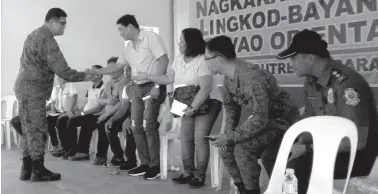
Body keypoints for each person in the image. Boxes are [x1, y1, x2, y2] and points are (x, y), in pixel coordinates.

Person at [276, 29, 378, 194]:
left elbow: (356, 141)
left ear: (310, 58)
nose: (290, 63)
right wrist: (299, 142)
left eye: (293, 58)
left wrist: (308, 148)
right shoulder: (310, 82)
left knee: (298, 166)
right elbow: (310, 120)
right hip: (327, 147)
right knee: (277, 154)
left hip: (359, 156)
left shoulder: (346, 84)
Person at [204, 35, 299, 194]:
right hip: (264, 122)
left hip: (283, 122)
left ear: (219, 59)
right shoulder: (228, 79)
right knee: (225, 149)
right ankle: (243, 189)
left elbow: (260, 117)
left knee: (242, 149)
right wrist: (227, 134)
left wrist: (231, 136)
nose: (205, 62)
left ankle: (252, 191)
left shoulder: (253, 77)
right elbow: (231, 108)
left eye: (207, 58)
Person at [133, 28, 222, 187]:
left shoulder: (203, 60)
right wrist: (148, 77)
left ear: (191, 43)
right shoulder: (179, 59)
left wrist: (193, 108)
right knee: (185, 137)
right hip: (185, 102)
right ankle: (188, 173)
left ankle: (200, 176)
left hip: (207, 102)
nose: (179, 44)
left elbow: (206, 88)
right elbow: (168, 78)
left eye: (182, 41)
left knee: (199, 137)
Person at [14, 8, 92, 182]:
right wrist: (87, 75)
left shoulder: (33, 35)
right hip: (33, 90)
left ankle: (26, 169)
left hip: (25, 87)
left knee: (28, 130)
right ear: (51, 22)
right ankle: (38, 169)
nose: (64, 27)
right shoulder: (46, 40)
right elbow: (64, 72)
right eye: (62, 23)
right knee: (37, 130)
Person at [91, 15, 168, 180]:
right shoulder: (128, 47)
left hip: (151, 87)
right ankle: (144, 163)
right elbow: (118, 66)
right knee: (136, 127)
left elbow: (164, 60)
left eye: (121, 29)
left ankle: (155, 166)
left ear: (130, 27)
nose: (120, 33)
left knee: (149, 126)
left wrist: (157, 85)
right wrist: (98, 71)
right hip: (136, 88)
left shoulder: (150, 37)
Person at [63, 65, 106, 161]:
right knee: (70, 121)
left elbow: (98, 109)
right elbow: (85, 105)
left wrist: (82, 114)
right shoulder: (90, 89)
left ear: (99, 75)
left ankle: (83, 152)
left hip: (97, 116)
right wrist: (77, 113)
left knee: (87, 123)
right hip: (87, 114)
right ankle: (73, 149)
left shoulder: (104, 89)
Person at [104, 65, 137, 171]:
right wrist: (112, 119)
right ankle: (118, 156)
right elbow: (123, 108)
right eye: (125, 70)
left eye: (129, 70)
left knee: (129, 128)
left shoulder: (143, 86)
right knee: (110, 126)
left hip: (141, 115)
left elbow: (143, 107)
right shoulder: (127, 87)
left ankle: (131, 160)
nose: (126, 73)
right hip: (130, 114)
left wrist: (131, 119)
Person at [47, 76, 79, 158]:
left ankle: (66, 147)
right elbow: (53, 101)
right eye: (59, 76)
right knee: (48, 123)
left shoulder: (70, 86)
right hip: (58, 112)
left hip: (68, 112)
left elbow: (74, 97)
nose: (60, 78)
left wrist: (70, 109)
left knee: (61, 122)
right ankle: (56, 145)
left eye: (62, 76)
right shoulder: (56, 88)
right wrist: (52, 107)